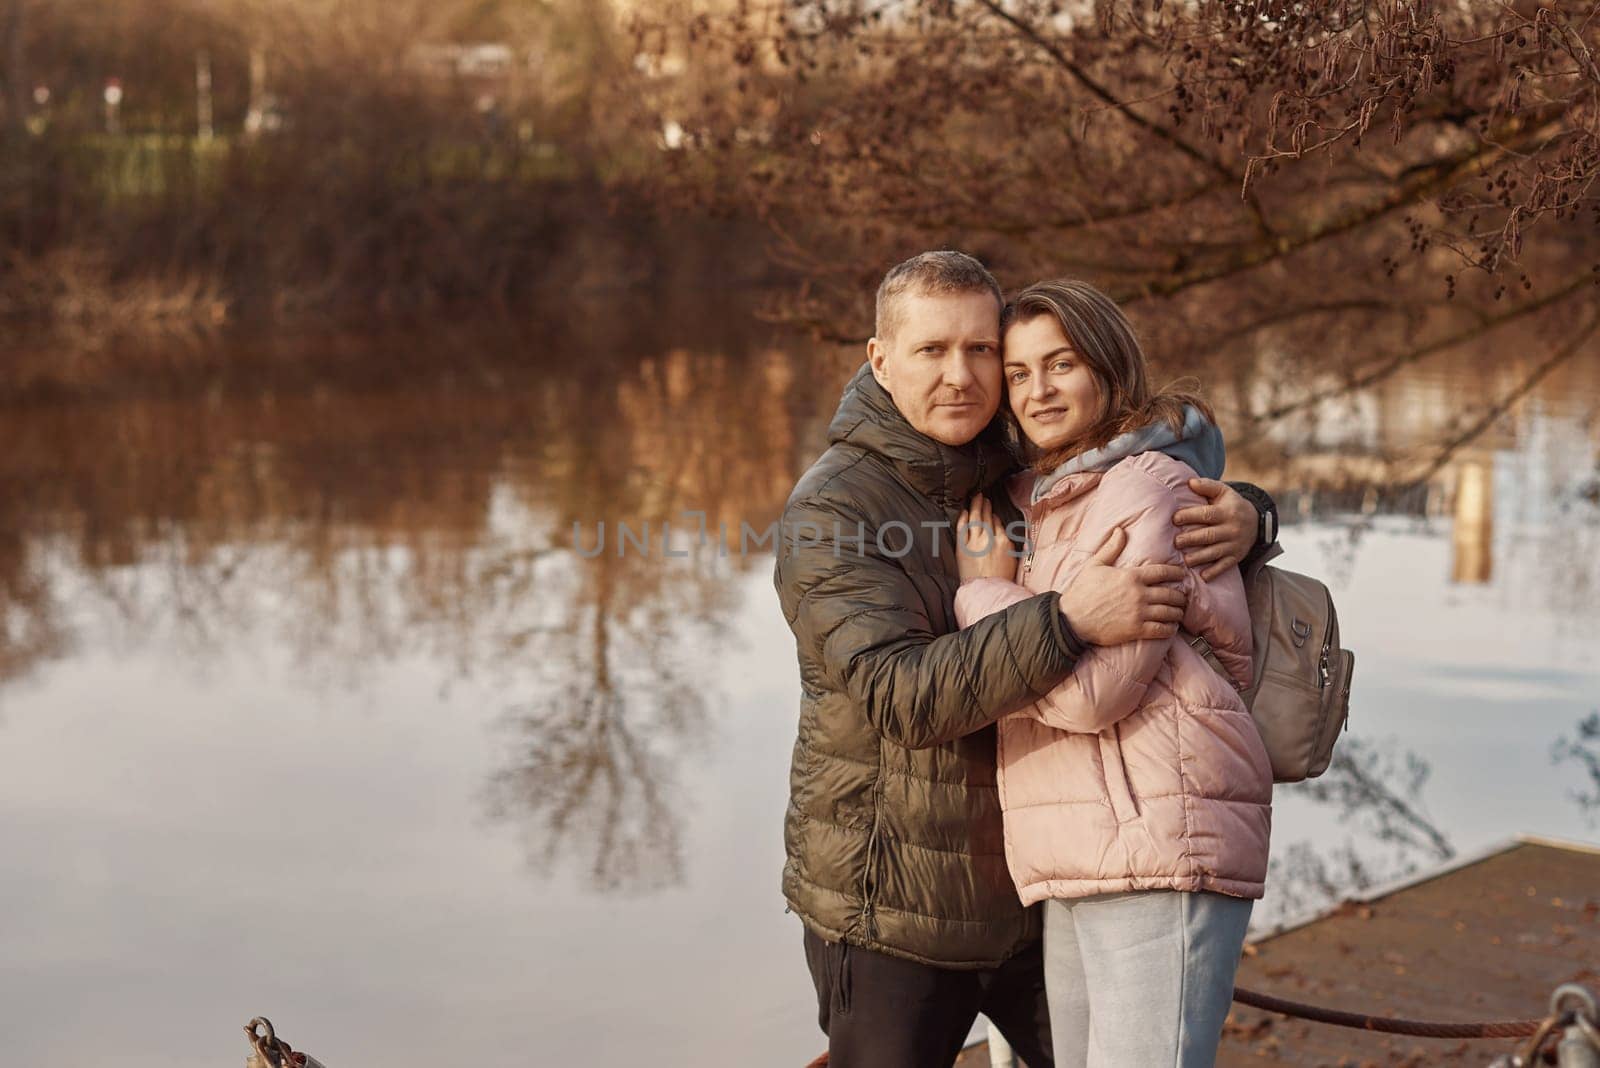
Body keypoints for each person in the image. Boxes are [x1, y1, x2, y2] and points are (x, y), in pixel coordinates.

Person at [774, 252, 1277, 1067]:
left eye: (981, 351)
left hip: (1042, 883)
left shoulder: (1017, 467)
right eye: (932, 351)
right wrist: (1066, 619)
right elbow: (904, 699)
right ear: (879, 359)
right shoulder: (833, 510)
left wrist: (1251, 513)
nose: (962, 376)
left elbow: (1136, 466)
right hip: (898, 908)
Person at [954, 278, 1275, 1068]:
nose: (1038, 391)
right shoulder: (1050, 499)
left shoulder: (1145, 489)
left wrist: (983, 587)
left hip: (1159, 841)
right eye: (1021, 373)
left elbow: (1095, 693)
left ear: (1106, 365)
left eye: (1059, 364)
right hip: (1085, 847)